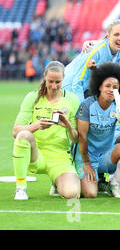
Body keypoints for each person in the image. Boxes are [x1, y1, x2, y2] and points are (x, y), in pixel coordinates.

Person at [13, 61, 80, 200]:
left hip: (60, 157)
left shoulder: (72, 100)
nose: (54, 86)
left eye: (58, 82)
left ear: (64, 79)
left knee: (72, 194)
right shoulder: (33, 97)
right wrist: (36, 126)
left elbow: (76, 139)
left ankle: (56, 182)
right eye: (50, 81)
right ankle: (20, 187)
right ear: (44, 76)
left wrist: (67, 125)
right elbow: (16, 132)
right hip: (36, 154)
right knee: (24, 135)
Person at [73, 62, 120, 198]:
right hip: (87, 156)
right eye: (107, 86)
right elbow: (82, 137)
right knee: (90, 194)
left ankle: (114, 183)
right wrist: (87, 163)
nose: (111, 90)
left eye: (115, 88)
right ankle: (82, 177)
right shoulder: (87, 105)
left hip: (105, 155)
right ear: (99, 86)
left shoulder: (118, 104)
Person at [63, 19, 120, 102]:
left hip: (91, 90)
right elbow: (78, 81)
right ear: (108, 36)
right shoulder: (95, 50)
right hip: (70, 87)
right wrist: (80, 108)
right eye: (116, 34)